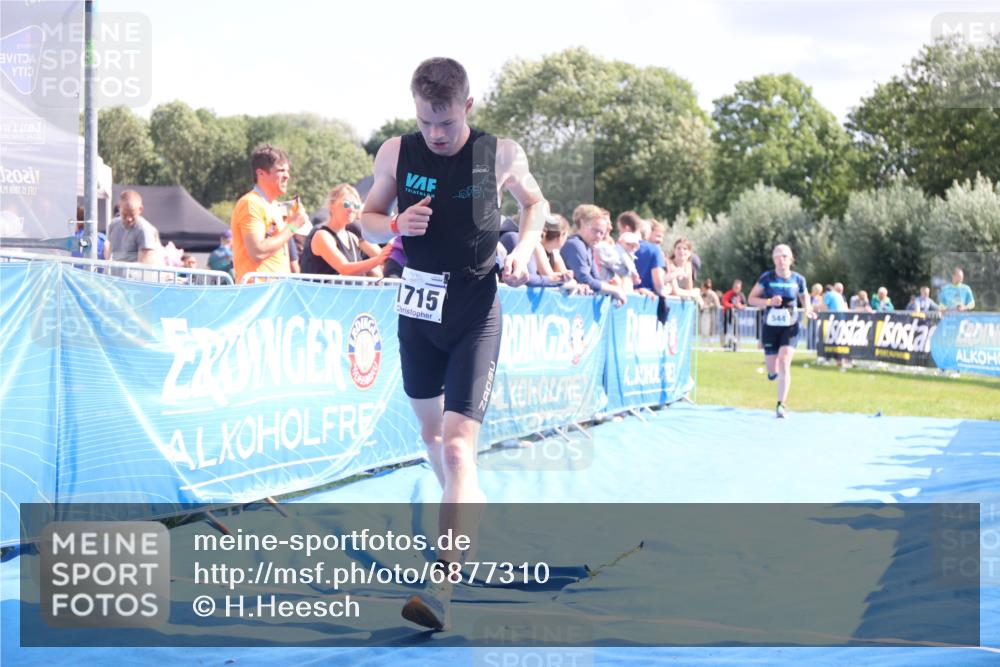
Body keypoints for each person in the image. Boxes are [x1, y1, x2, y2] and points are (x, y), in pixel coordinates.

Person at [360, 57, 546, 631]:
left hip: (474, 309)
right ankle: (468, 503)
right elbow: (365, 217)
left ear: (467, 107)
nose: (435, 135)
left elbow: (534, 205)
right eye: (425, 122)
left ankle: (443, 585)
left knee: (460, 447)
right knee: (432, 438)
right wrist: (394, 226)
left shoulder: (502, 153)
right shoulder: (395, 151)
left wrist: (523, 249)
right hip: (417, 310)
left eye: (445, 122)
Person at [747, 244, 816, 419]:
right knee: (773, 370)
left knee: (785, 361)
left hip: (790, 326)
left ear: (791, 259)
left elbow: (804, 296)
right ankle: (773, 374)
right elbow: (751, 299)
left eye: (785, 256)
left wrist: (807, 309)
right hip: (770, 327)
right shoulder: (767, 278)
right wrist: (769, 302)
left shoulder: (798, 279)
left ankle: (781, 405)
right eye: (777, 255)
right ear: (773, 259)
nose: (781, 259)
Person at [230, 144, 312, 283]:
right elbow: (257, 251)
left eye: (287, 171)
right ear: (261, 173)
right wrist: (292, 226)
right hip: (257, 293)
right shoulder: (250, 203)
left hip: (275, 292)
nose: (287, 176)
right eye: (281, 170)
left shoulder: (274, 206)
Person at [300, 183, 391, 276]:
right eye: (346, 204)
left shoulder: (353, 238)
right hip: (328, 290)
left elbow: (359, 270)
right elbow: (344, 269)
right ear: (332, 205)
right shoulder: (322, 236)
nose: (351, 209)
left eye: (356, 206)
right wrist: (378, 259)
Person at [562, 205, 627, 304]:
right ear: (583, 224)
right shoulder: (575, 244)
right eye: (595, 231)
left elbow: (596, 278)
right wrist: (614, 290)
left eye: (602, 233)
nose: (598, 236)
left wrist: (612, 289)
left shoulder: (588, 247)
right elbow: (585, 279)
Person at [618, 211, 667, 297]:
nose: (619, 233)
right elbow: (658, 282)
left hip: (623, 296)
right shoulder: (654, 249)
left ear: (627, 228)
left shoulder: (618, 248)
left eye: (619, 230)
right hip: (647, 299)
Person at [108, 190, 162, 265]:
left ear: (140, 209)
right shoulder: (113, 225)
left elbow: (144, 265)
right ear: (119, 207)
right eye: (125, 214)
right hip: (115, 275)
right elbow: (108, 251)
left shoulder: (144, 230)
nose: (129, 219)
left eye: (132, 214)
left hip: (135, 275)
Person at [664, 237, 703, 306]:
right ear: (674, 251)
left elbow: (689, 289)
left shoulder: (688, 266)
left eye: (685, 249)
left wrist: (693, 293)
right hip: (667, 302)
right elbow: (675, 291)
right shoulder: (670, 265)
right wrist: (694, 293)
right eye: (678, 248)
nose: (681, 251)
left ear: (690, 253)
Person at [721, 279, 746, 351]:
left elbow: (744, 304)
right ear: (733, 286)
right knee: (727, 329)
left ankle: (734, 343)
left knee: (735, 330)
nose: (737, 289)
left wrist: (741, 306)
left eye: (738, 287)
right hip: (727, 315)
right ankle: (727, 343)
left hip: (736, 316)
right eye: (735, 287)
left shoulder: (741, 295)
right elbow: (724, 302)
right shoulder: (729, 293)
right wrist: (733, 305)